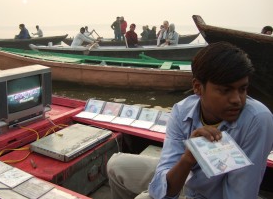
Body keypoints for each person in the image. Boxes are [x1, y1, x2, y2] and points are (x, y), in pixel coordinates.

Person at [107, 42, 273, 199]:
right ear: (198, 87)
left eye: (243, 89)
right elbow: (167, 177)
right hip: (185, 180)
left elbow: (240, 194)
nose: (237, 99)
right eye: (225, 90)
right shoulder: (182, 111)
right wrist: (188, 159)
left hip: (212, 194)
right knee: (116, 164)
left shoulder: (257, 120)